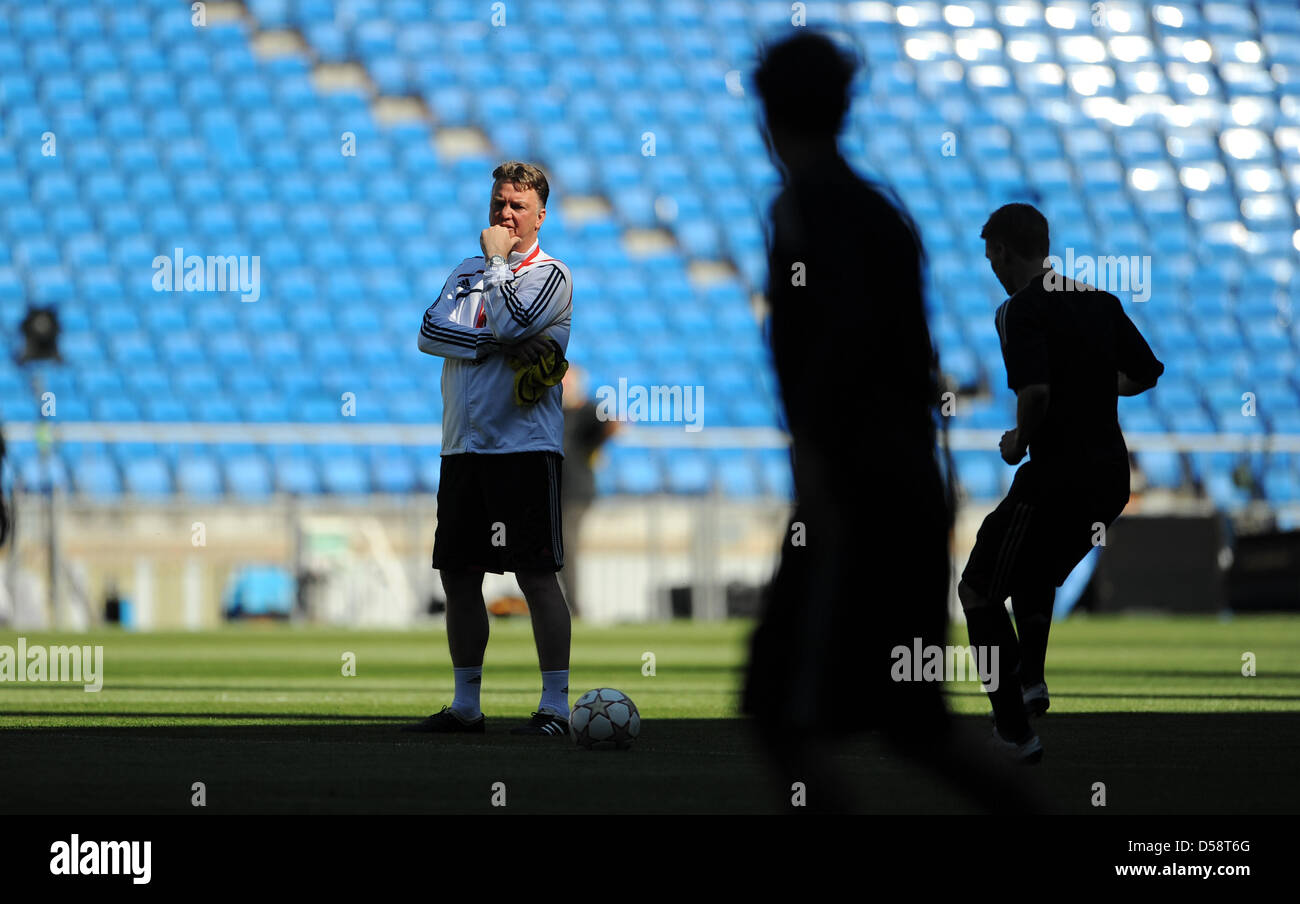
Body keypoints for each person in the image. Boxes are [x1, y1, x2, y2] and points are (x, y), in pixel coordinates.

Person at [742, 32, 967, 810]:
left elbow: (838, 347)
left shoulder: (807, 211)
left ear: (767, 115)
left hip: (857, 493)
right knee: (913, 725)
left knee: (776, 706)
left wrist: (819, 466)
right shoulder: (876, 211)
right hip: (903, 482)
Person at [959, 203, 1164, 760]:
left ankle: (1013, 732)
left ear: (1001, 250)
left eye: (990, 256)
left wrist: (1018, 442)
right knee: (1036, 567)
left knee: (978, 589)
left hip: (1057, 474)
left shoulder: (1017, 311)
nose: (991, 268)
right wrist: (1095, 388)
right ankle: (1031, 681)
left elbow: (1036, 393)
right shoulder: (1100, 302)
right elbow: (1146, 372)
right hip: (1110, 479)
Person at [407, 161, 575, 737]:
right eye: (499, 202)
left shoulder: (550, 274)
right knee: (458, 574)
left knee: (536, 574)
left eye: (518, 206)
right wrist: (494, 345)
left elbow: (514, 321)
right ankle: (466, 706)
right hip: (463, 446)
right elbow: (430, 332)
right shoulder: (465, 271)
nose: (506, 214)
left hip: (524, 447)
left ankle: (554, 706)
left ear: (540, 215)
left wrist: (499, 274)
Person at [559, 364, 617, 618]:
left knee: (566, 544)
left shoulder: (588, 411)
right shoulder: (550, 411)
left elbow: (612, 424)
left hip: (575, 491)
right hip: (552, 491)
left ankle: (573, 606)